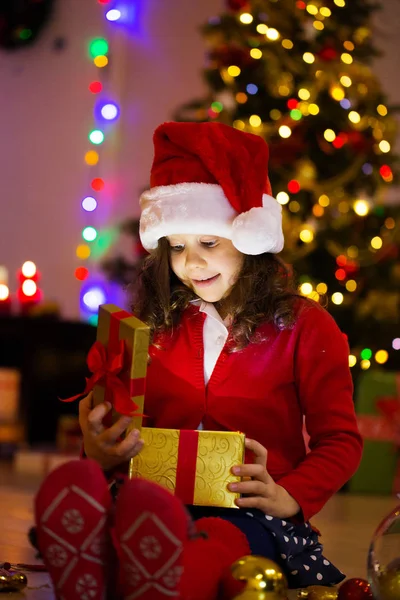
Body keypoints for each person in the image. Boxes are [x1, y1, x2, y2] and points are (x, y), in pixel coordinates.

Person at [34, 121, 363, 600]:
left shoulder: (306, 328)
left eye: (209, 242)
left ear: (251, 240)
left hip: (252, 514)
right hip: (151, 501)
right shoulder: (145, 327)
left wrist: (290, 494)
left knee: (225, 547)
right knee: (123, 513)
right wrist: (99, 447)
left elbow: (341, 440)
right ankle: (106, 557)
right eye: (176, 246)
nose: (191, 263)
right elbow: (119, 422)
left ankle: (162, 573)